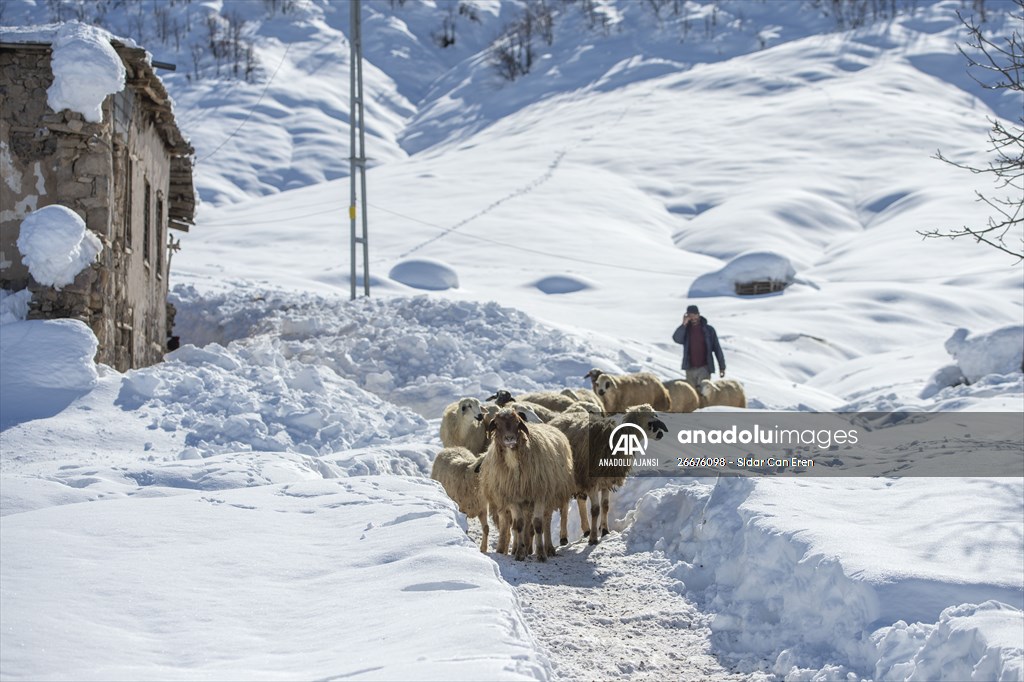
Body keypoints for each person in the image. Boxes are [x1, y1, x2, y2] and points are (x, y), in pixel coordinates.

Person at [672, 304, 726, 389]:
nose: (693, 318)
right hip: (690, 368)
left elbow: (717, 348)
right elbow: (676, 339)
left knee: (703, 393)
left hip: (704, 367)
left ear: (698, 314)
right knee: (691, 396)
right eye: (690, 316)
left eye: (694, 315)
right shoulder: (686, 330)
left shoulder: (709, 330)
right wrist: (683, 325)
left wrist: (722, 367)